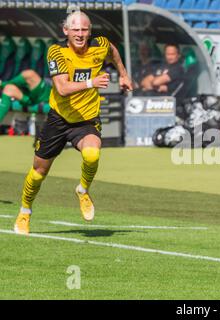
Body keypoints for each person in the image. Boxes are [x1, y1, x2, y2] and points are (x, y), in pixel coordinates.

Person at [13, 10, 133, 235]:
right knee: (39, 172)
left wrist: (124, 75)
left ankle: (83, 190)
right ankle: (25, 211)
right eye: (75, 29)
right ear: (65, 31)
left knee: (92, 154)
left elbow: (113, 51)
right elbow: (62, 88)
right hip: (59, 119)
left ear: (90, 31)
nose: (80, 34)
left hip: (86, 119)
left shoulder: (100, 44)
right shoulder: (56, 52)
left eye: (84, 29)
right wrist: (92, 82)